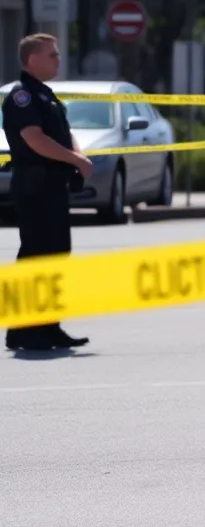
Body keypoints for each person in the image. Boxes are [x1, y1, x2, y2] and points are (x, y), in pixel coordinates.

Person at [2, 33, 92, 351]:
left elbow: (63, 136)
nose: (58, 59)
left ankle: (49, 326)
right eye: (51, 55)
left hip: (52, 186)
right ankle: (23, 329)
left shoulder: (45, 95)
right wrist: (75, 159)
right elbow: (34, 139)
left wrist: (78, 157)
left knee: (55, 256)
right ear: (32, 60)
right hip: (35, 186)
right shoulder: (21, 96)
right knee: (36, 257)